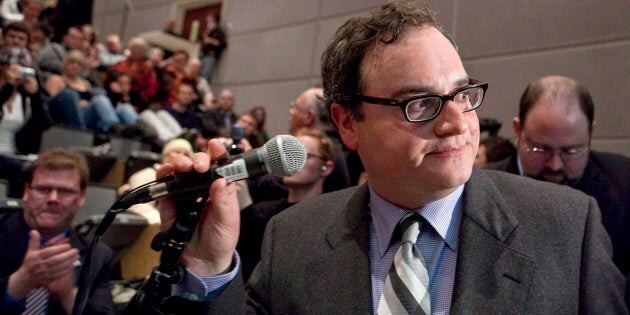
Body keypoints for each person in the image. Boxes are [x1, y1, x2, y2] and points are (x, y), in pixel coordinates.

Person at [141, 1, 626, 313]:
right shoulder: (293, 237)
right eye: (419, 104)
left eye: (462, 94)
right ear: (349, 122)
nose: (457, 122)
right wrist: (207, 265)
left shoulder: (564, 226)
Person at [484, 75, 630, 290]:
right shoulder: (484, 190)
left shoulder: (623, 182)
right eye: (540, 149)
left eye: (571, 151)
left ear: (591, 132)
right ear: (518, 130)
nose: (554, 165)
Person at [0, 148, 116, 314]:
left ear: (82, 196)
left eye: (65, 191)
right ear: (26, 192)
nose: (53, 199)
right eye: (43, 189)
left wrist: (68, 295)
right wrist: (20, 283)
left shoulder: (97, 255)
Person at [237, 127, 335, 281]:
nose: (290, 162)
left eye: (304, 156)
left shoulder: (331, 217)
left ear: (326, 168)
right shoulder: (264, 209)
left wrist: (246, 208)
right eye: (288, 155)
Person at [199, 12, 227, 81]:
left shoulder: (219, 31)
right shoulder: (208, 31)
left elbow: (222, 44)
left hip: (211, 55)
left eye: (209, 18)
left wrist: (210, 40)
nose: (207, 20)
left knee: (204, 74)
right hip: (203, 54)